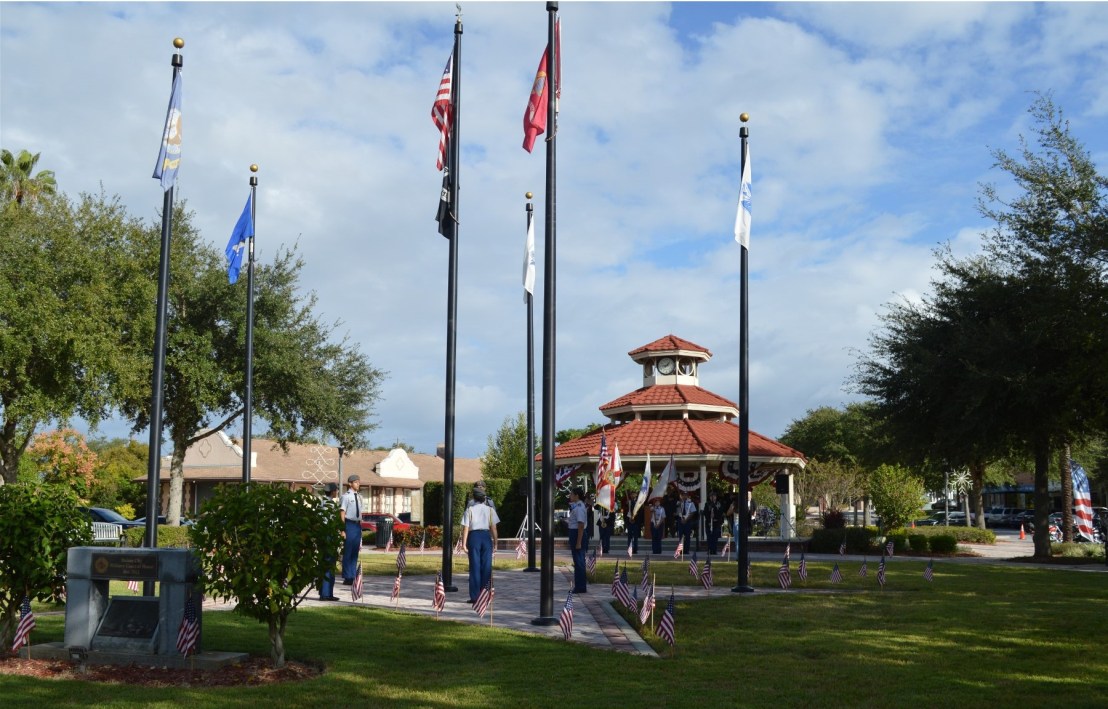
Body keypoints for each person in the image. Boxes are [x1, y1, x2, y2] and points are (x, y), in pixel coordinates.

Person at [461, 481, 500, 603]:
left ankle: (475, 597)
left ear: (474, 497)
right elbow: (494, 528)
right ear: (484, 497)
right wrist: (496, 542)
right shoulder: (490, 510)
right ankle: (486, 595)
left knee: (474, 567)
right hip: (486, 536)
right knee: (487, 567)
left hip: (474, 537)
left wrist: (463, 543)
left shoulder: (470, 510)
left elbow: (466, 527)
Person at [318, 482, 341, 600]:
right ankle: (326, 593)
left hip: (322, 534)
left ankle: (324, 591)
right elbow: (332, 521)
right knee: (329, 564)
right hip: (329, 534)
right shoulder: (330, 504)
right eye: (336, 490)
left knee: (324, 564)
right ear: (332, 491)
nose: (337, 492)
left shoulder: (321, 502)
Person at [340, 474, 363, 585]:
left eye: (358, 482)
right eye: (355, 482)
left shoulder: (359, 496)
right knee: (348, 551)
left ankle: (353, 575)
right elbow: (342, 513)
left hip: (357, 525)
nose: (358, 484)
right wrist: (342, 529)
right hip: (349, 524)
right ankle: (347, 576)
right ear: (350, 483)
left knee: (355, 552)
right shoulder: (346, 496)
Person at [568, 487, 588, 593]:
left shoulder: (579, 507)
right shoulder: (577, 506)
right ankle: (579, 585)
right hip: (574, 532)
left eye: (571, 494)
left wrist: (578, 542)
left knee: (579, 561)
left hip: (577, 534)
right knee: (577, 561)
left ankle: (580, 587)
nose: (570, 496)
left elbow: (580, 525)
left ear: (577, 496)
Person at [703, 489, 725, 555]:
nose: (712, 497)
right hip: (709, 523)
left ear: (716, 497)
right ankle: (709, 550)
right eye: (711, 496)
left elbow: (720, 512)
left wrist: (715, 516)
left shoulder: (718, 504)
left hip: (716, 523)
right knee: (709, 537)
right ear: (709, 497)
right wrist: (710, 517)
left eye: (714, 496)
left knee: (715, 537)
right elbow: (705, 513)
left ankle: (714, 550)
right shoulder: (707, 504)